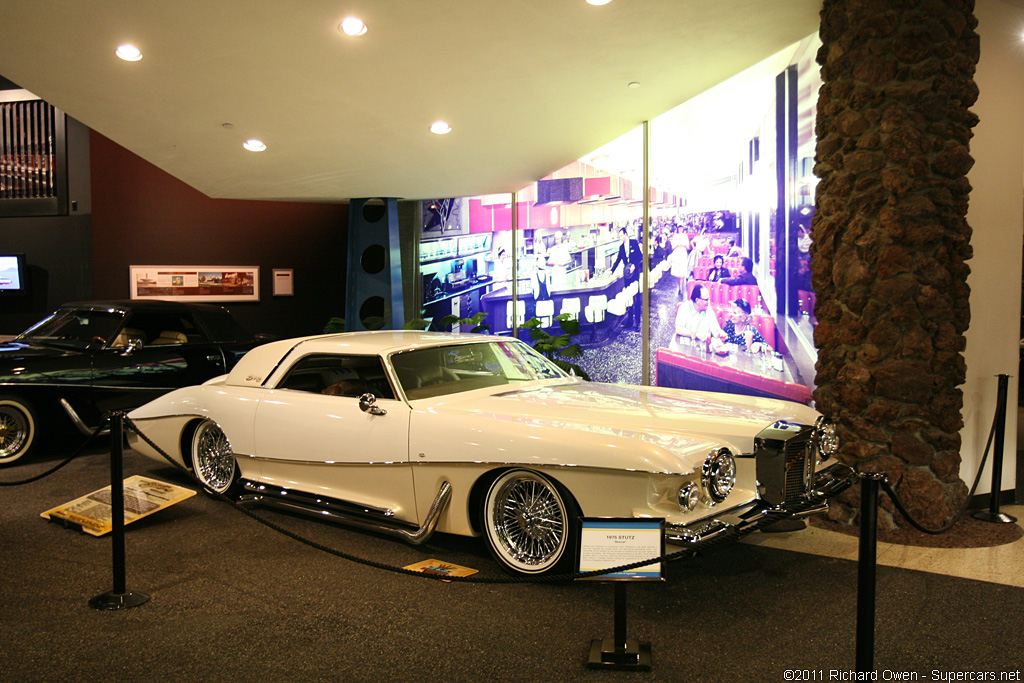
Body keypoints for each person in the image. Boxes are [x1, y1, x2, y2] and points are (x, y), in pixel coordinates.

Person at [674, 283, 727, 350]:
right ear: (697, 300)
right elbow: (678, 329)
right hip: (685, 349)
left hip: (703, 350)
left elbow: (715, 330)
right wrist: (696, 334)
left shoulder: (709, 311)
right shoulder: (684, 308)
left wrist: (720, 335)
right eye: (706, 300)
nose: (709, 302)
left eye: (709, 299)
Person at [611, 227, 643, 329]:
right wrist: (611, 271)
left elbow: (640, 256)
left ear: (625, 234)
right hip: (627, 276)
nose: (620, 238)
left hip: (635, 274)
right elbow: (617, 260)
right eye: (619, 236)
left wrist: (634, 264)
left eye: (621, 235)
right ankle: (629, 321)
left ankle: (637, 322)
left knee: (636, 298)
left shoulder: (634, 242)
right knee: (629, 298)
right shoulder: (621, 248)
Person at [668, 231, 691, 295]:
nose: (680, 229)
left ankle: (681, 288)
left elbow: (688, 247)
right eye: (679, 228)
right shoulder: (675, 236)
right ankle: (679, 287)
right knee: (677, 273)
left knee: (682, 272)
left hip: (683, 254)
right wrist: (677, 245)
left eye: (681, 228)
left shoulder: (685, 236)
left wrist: (683, 245)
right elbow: (672, 247)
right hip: (677, 254)